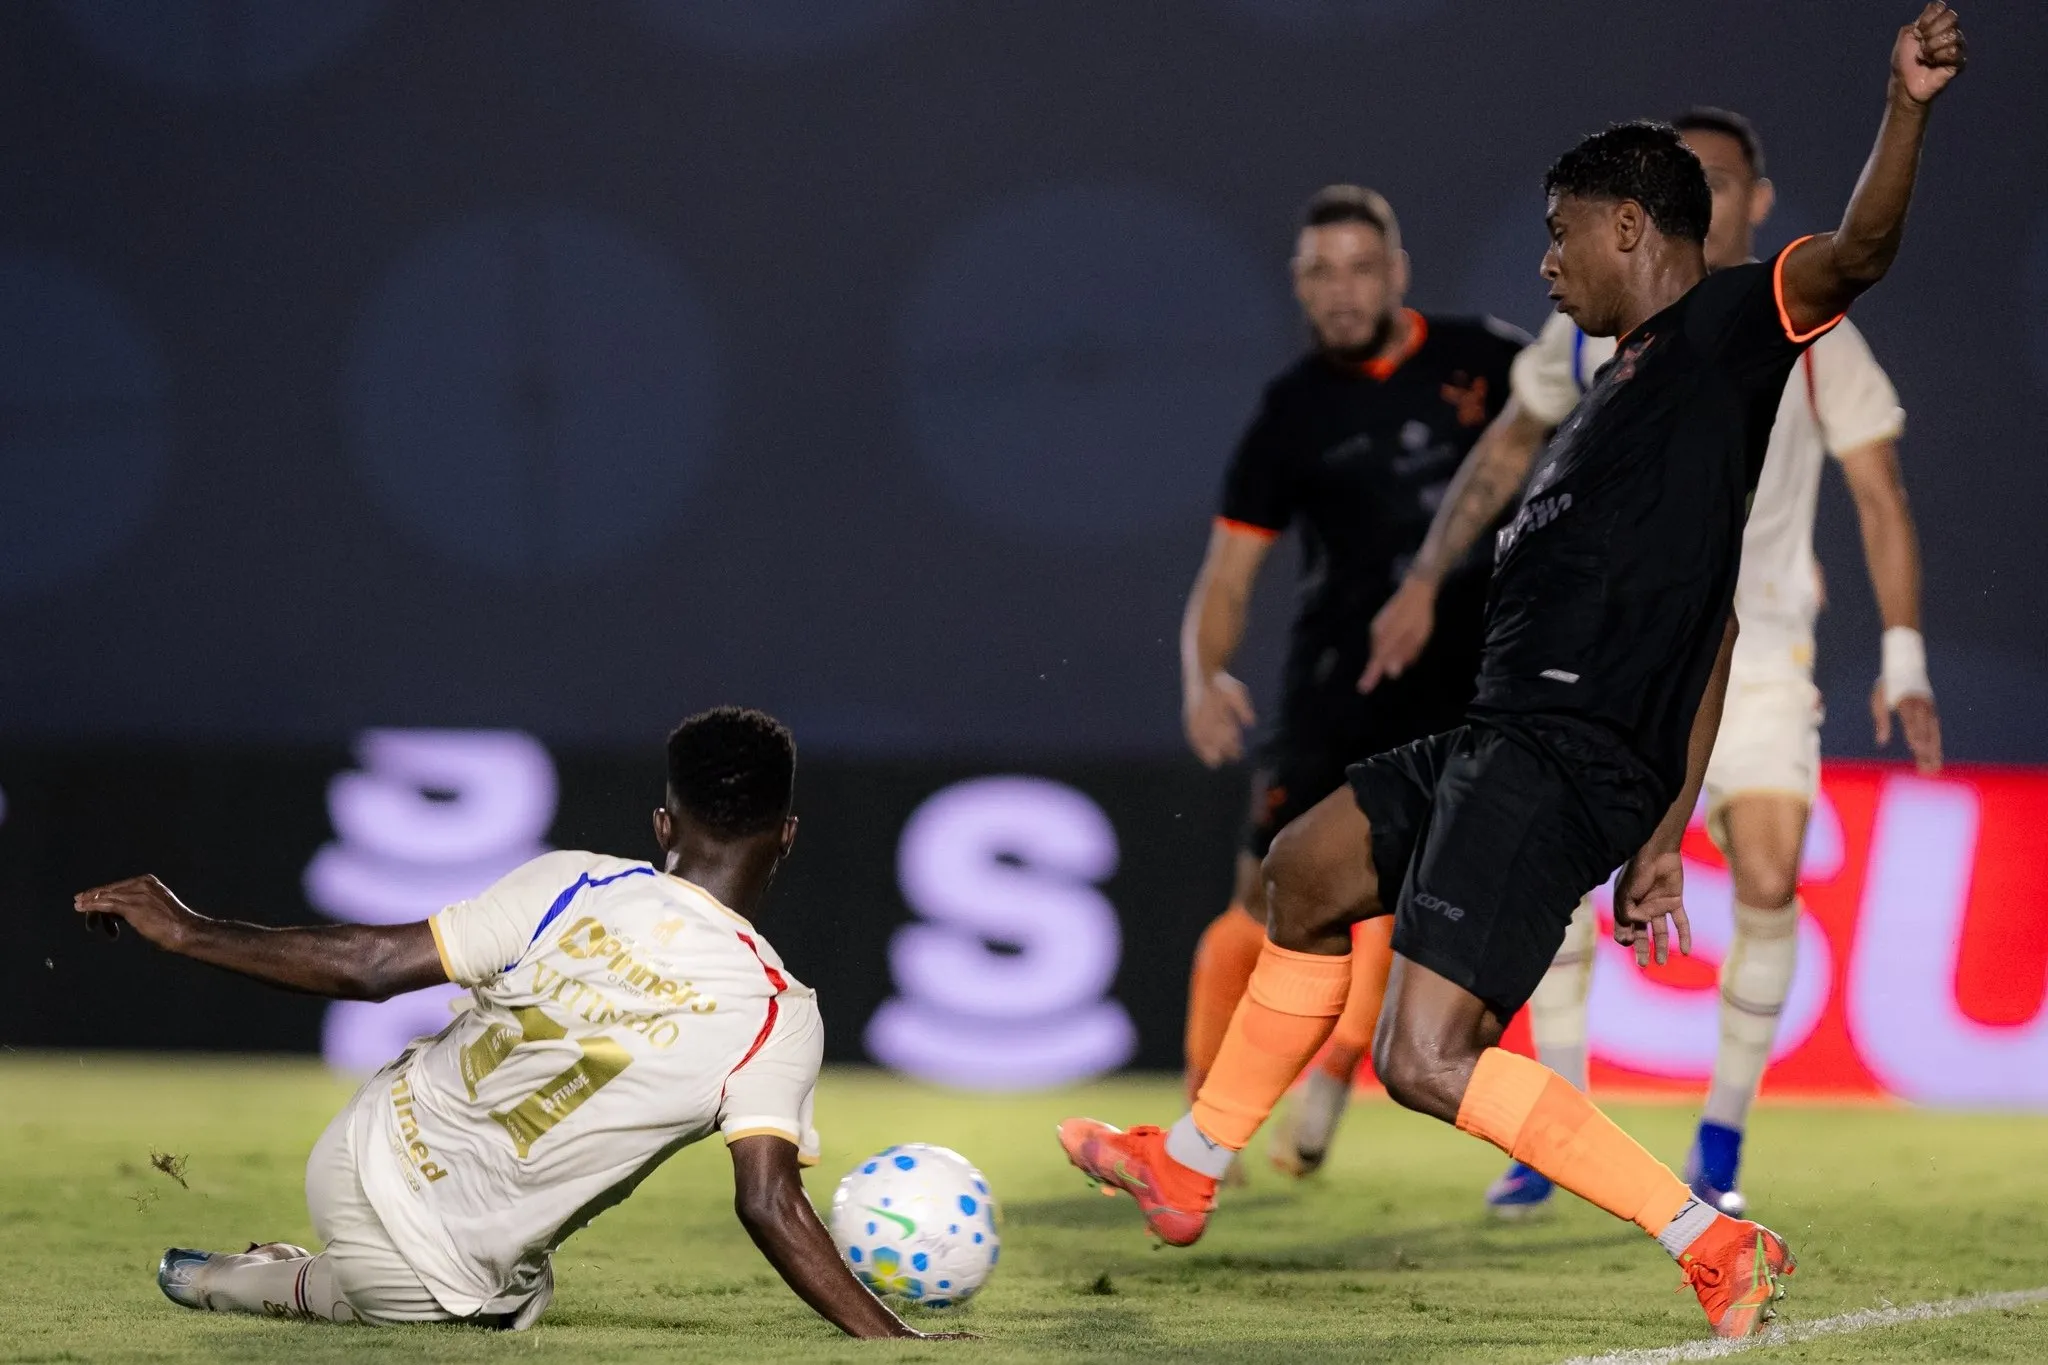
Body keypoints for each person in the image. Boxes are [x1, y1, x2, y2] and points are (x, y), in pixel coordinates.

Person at [1059, 5, 1965, 1341]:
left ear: (1628, 228)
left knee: (1422, 1059)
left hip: (1557, 757)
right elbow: (1710, 629)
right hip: (1508, 738)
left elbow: (1862, 252)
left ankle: (1711, 1240)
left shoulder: (1726, 328)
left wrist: (1907, 106)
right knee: (1304, 871)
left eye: (1559, 231)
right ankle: (1188, 1169)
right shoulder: (1614, 392)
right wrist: (1663, 834)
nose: (1544, 264)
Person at [1365, 107, 1947, 1219]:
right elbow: (1503, 456)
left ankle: (1717, 1143)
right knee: (1550, 898)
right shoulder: (1588, 329)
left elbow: (1877, 490)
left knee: (1767, 877)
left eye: (1726, 179)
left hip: (1755, 650)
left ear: (1750, 199)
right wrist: (1427, 580)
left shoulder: (1782, 319)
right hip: (1608, 671)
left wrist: (1902, 656)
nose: (1715, 197)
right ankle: (1550, 1128)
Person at [75, 707, 955, 1341]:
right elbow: (768, 1201)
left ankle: (329, 1257)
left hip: (354, 1142)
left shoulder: (575, 879)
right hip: (422, 1274)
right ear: (789, 835)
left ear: (662, 823)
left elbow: (371, 968)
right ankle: (259, 1279)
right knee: (497, 1308)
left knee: (521, 1281)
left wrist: (189, 929)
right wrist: (896, 1341)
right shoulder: (777, 1013)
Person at [1179, 184, 1525, 1175]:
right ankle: (1207, 1111)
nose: (1340, 290)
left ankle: (1333, 1076)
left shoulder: (1488, 362)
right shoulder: (1291, 413)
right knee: (1266, 895)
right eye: (1319, 272)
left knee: (1423, 905)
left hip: (1469, 689)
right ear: (1296, 285)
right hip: (1333, 695)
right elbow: (1228, 571)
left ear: (1397, 273)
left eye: (1359, 268)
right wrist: (1203, 674)